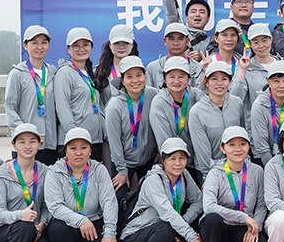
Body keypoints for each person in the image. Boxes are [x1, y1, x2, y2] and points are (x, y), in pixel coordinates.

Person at [121, 137, 205, 242]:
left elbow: (198, 200)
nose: (178, 163)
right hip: (134, 238)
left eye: (182, 158)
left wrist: (184, 221)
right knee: (169, 224)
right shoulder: (153, 180)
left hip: (161, 232)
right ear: (163, 160)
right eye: (172, 158)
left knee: (191, 217)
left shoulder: (184, 175)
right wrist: (192, 237)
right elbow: (168, 213)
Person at [44, 127, 119, 242]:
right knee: (57, 229)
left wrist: (110, 233)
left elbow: (109, 201)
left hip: (93, 221)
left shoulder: (99, 170)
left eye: (83, 148)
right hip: (67, 224)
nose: (78, 153)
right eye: (73, 148)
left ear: (90, 151)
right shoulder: (54, 172)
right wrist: (81, 221)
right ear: (66, 151)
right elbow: (55, 206)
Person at [200, 126, 269, 242]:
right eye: (231, 145)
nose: (238, 149)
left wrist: (255, 227)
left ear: (249, 147)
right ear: (222, 148)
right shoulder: (214, 173)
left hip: (243, 227)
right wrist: (244, 217)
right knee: (211, 219)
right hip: (221, 225)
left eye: (242, 144)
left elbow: (261, 205)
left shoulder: (257, 171)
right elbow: (209, 206)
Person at [104, 56, 159, 204]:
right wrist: (122, 171)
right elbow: (114, 142)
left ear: (145, 76)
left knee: (150, 199)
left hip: (149, 159)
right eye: (129, 76)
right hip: (123, 162)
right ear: (122, 80)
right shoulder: (114, 106)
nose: (135, 80)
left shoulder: (154, 95)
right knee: (119, 198)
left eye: (139, 75)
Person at [5, 25, 58, 165]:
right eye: (34, 43)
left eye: (44, 42)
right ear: (25, 45)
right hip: (26, 145)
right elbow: (10, 107)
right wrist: (25, 133)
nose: (40, 47)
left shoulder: (53, 72)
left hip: (50, 144)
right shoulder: (17, 74)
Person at [189, 60, 246, 182]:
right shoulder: (197, 112)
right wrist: (210, 176)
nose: (219, 83)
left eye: (224, 79)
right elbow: (202, 151)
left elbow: (242, 136)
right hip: (211, 172)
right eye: (214, 79)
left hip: (237, 167)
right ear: (206, 82)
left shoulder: (237, 103)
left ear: (230, 82)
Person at [54, 26, 105, 162]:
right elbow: (63, 108)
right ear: (68, 49)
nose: (81, 49)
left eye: (85, 45)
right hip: (74, 143)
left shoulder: (89, 73)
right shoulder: (65, 73)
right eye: (76, 45)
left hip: (93, 140)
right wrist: (75, 137)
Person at [148, 56, 202, 161]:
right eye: (171, 77)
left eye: (181, 76)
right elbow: (163, 140)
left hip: (196, 159)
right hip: (173, 160)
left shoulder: (197, 96)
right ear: (164, 79)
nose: (176, 81)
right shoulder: (159, 102)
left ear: (188, 78)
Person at [92, 24, 138, 109]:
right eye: (117, 43)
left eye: (126, 43)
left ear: (132, 45)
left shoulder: (141, 72)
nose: (121, 47)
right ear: (110, 45)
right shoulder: (98, 71)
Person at [146, 22, 201, 91]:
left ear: (187, 41)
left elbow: (200, 94)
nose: (176, 43)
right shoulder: (153, 68)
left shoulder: (197, 68)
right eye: (171, 39)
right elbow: (147, 94)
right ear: (165, 41)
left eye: (180, 39)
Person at [240, 22, 279, 118]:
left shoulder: (282, 65)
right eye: (256, 42)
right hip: (255, 122)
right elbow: (237, 98)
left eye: (264, 41)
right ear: (250, 44)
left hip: (281, 121)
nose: (261, 46)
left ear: (271, 40)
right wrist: (242, 70)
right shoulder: (246, 68)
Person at [206, 19, 251, 96]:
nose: (229, 39)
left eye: (233, 35)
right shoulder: (207, 63)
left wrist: (242, 70)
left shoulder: (244, 64)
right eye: (224, 35)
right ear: (216, 38)